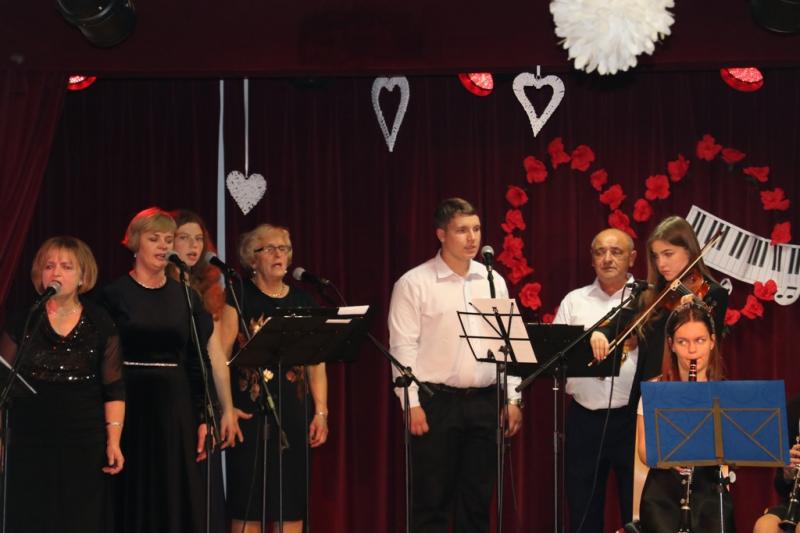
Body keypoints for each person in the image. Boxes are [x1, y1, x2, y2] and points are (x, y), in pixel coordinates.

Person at [388, 197, 524, 532]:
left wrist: (513, 397)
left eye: (476, 229)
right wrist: (410, 403)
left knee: (476, 503)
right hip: (436, 403)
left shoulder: (492, 280)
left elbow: (508, 343)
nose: (472, 238)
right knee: (431, 502)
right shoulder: (415, 283)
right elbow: (403, 347)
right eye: (462, 230)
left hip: (484, 402)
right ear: (441, 234)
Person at [0, 236, 125, 533]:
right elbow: (2, 382)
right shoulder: (24, 320)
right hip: (29, 439)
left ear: (83, 276)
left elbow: (114, 388)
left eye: (67, 267)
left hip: (83, 439)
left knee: (79, 518)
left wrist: (114, 441)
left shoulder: (100, 322)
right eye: (49, 266)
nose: (56, 272)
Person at [101, 207, 210, 533]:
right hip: (129, 402)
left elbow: (196, 360)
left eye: (168, 239)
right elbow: (103, 361)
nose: (164, 246)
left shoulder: (187, 297)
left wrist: (204, 415)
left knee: (173, 492)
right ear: (135, 243)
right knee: (132, 492)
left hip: (175, 406)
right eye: (154, 238)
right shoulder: (113, 294)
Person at [224, 223, 329, 533]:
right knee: (248, 503)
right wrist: (224, 407)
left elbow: (316, 363)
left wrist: (321, 411)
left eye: (283, 248)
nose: (278, 254)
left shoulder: (304, 301)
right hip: (249, 414)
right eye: (269, 248)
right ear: (252, 258)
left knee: (291, 502)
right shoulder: (237, 296)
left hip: (294, 413)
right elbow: (220, 356)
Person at [553, 228, 639, 532]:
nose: (607, 258)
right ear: (591, 260)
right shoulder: (574, 301)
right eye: (600, 252)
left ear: (632, 258)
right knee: (582, 511)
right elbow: (556, 355)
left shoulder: (647, 299)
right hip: (584, 418)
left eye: (616, 252)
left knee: (637, 512)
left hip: (633, 420)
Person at [169, 208, 248, 532]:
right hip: (169, 398)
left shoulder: (205, 290)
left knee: (203, 494)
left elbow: (215, 356)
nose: (193, 246)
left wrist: (226, 409)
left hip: (201, 401)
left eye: (198, 239)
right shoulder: (160, 286)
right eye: (184, 238)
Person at [591, 215, 729, 387]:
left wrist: (693, 311)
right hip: (646, 388)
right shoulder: (651, 293)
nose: (661, 263)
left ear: (689, 251)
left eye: (668, 254)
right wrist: (601, 333)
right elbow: (617, 322)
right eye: (656, 256)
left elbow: (710, 342)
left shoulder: (712, 293)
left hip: (687, 388)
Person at [636, 300, 734, 532]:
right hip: (662, 497)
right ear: (671, 344)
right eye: (683, 342)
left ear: (712, 342)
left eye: (700, 340)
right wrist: (669, 457)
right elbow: (644, 450)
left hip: (711, 494)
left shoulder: (727, 393)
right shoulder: (655, 389)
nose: (692, 351)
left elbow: (735, 452)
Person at [753, 395, 800, 533]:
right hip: (795, 503)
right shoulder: (794, 409)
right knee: (764, 527)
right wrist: (787, 474)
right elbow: (780, 487)